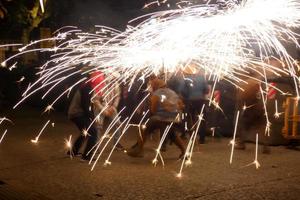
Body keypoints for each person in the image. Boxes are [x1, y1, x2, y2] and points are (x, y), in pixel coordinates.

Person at [127, 77, 186, 159]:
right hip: (174, 119)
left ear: (155, 86)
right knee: (172, 134)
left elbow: (153, 110)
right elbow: (181, 105)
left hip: (160, 118)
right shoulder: (173, 93)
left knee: (143, 128)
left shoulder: (157, 94)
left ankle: (139, 150)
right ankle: (184, 152)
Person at [90, 71, 124, 150]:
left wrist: (114, 107)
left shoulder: (115, 85)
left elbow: (117, 96)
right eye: (113, 79)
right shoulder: (100, 85)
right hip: (99, 108)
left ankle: (116, 143)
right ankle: (96, 146)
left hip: (111, 107)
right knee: (98, 127)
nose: (115, 81)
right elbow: (95, 101)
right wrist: (104, 110)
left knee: (118, 124)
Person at [67, 80, 98, 161]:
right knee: (93, 132)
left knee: (85, 132)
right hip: (77, 114)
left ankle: (73, 152)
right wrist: (92, 118)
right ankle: (86, 156)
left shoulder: (88, 87)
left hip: (77, 113)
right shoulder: (87, 88)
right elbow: (85, 105)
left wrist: (93, 117)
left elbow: (88, 105)